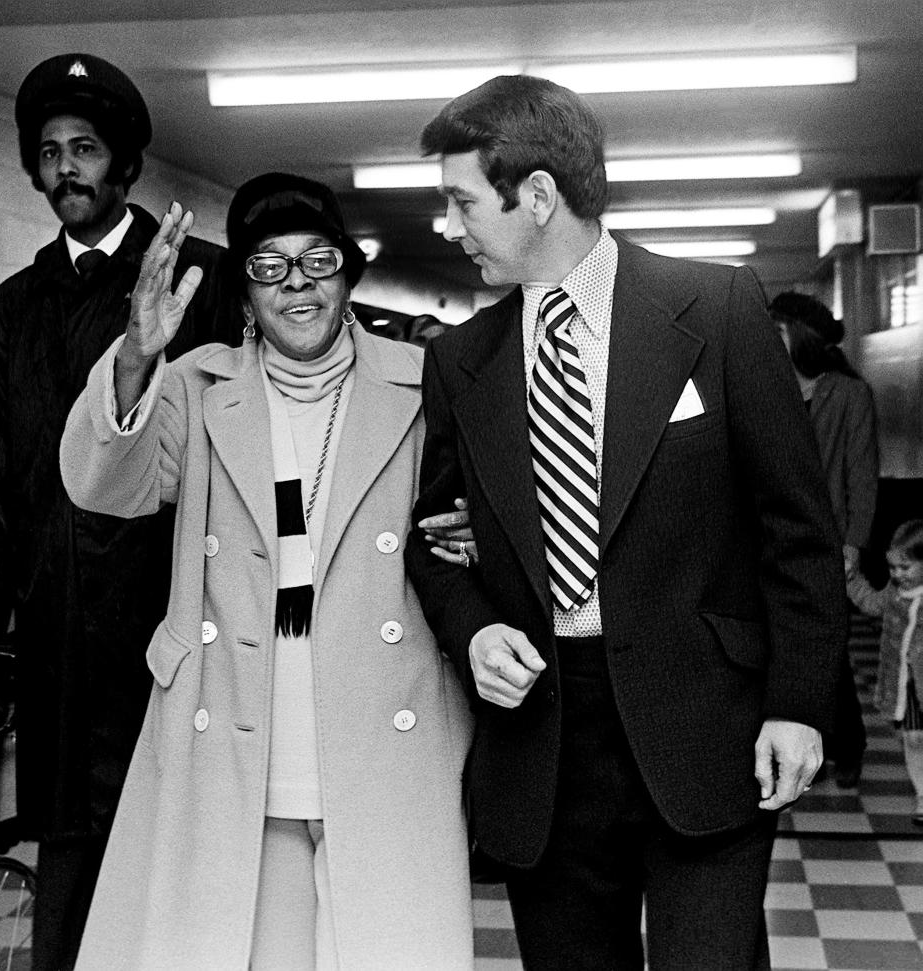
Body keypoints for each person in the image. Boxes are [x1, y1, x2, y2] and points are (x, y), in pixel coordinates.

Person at [404, 74, 848, 970]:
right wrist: (474, 627)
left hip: (706, 728)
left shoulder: (715, 311)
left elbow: (797, 530)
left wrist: (798, 704)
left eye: (460, 201)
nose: (450, 226)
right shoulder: (463, 360)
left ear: (536, 195)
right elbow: (434, 542)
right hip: (545, 740)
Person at [60, 173, 475, 970]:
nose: (297, 284)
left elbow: (484, 513)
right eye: (269, 266)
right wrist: (138, 351)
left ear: (348, 277)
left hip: (384, 724)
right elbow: (103, 485)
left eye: (318, 260)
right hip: (239, 728)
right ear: (244, 294)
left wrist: (484, 537)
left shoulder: (428, 384)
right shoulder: (195, 386)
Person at [0, 52, 237, 969]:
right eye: (49, 152)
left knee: (175, 820)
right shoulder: (19, 300)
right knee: (70, 839)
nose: (65, 168)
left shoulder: (202, 281)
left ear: (125, 167)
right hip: (56, 614)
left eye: (86, 149)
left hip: (174, 602)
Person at [769, 291, 878, 788]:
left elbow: (862, 475)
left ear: (802, 338)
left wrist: (852, 544)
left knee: (825, 652)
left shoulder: (848, 394)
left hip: (827, 545)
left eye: (779, 332)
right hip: (772, 544)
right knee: (778, 649)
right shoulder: (766, 387)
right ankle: (783, 750)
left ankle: (846, 746)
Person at [847, 520, 923, 823]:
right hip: (908, 685)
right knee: (914, 739)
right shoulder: (894, 592)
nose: (897, 575)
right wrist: (851, 578)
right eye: (893, 568)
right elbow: (871, 602)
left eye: (906, 568)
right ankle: (922, 795)